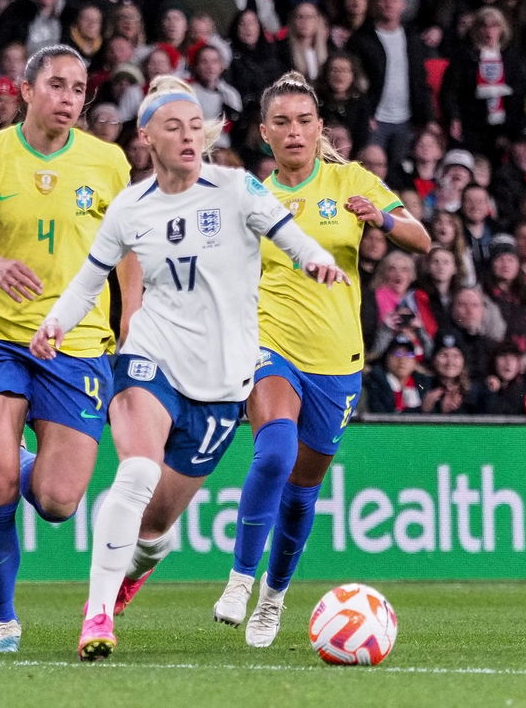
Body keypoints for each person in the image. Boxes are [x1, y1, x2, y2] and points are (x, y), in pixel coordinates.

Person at [28, 74, 346, 661]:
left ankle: (134, 570)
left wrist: (318, 259)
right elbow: (88, 281)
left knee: (155, 530)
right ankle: (96, 615)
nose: (188, 136)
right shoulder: (130, 207)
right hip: (151, 358)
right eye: (173, 126)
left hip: (222, 383)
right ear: (146, 136)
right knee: (137, 473)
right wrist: (55, 324)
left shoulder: (237, 189)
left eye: (195, 125)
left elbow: (290, 233)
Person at [194, 73, 428, 647]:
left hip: (338, 359)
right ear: (265, 134)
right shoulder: (250, 196)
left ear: (320, 128)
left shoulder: (351, 180)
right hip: (270, 345)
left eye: (304, 121)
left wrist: (385, 220)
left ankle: (273, 598)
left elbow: (421, 240)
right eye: (282, 123)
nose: (294, 131)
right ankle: (239, 581)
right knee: (272, 449)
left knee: (301, 490)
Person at [0, 45, 137, 655]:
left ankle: (20, 458)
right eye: (56, 85)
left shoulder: (108, 163)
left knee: (56, 501)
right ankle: (2, 621)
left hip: (77, 343)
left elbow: (130, 250)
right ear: (25, 91)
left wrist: (131, 313)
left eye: (78, 89)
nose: (69, 99)